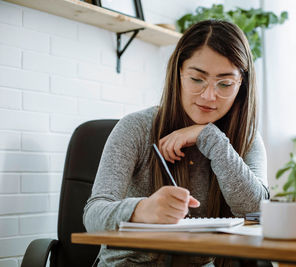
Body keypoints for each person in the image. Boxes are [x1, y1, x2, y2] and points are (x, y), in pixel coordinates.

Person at [83, 20, 269, 267]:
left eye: (225, 84)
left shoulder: (246, 139)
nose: (209, 96)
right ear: (178, 74)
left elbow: (256, 211)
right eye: (196, 79)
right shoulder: (136, 128)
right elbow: (93, 216)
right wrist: (142, 210)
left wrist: (210, 137)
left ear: (241, 86)